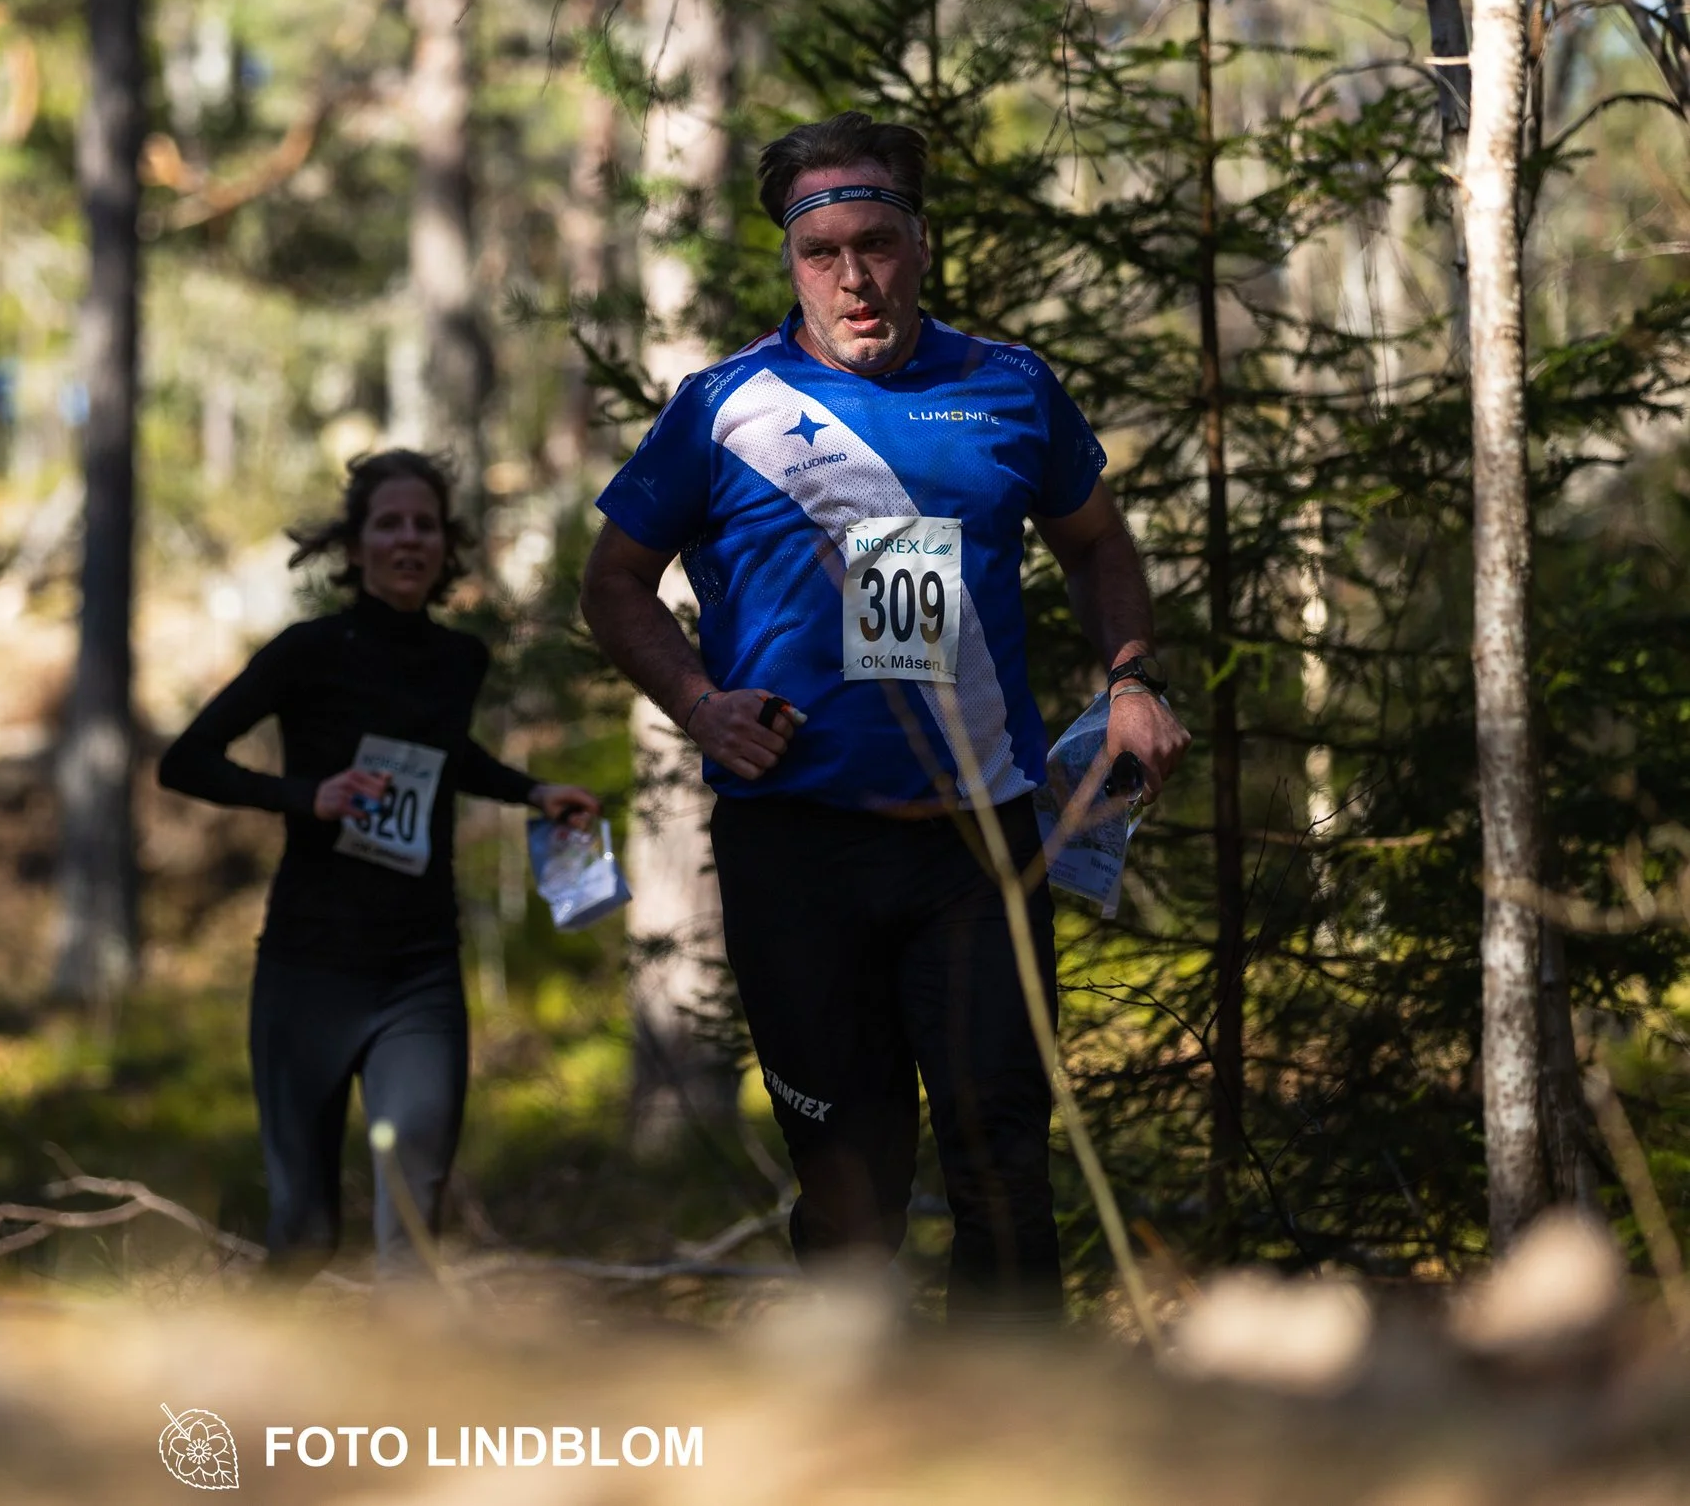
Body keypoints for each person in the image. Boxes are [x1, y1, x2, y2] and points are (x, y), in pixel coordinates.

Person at [579, 112, 1189, 1319]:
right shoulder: (722, 405)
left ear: (920, 243)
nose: (852, 277)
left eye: (876, 243)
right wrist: (698, 704)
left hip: (977, 845)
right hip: (796, 849)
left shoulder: (1008, 385)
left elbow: (1096, 542)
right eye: (822, 252)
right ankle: (857, 1410)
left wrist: (1129, 678)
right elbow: (611, 583)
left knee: (1003, 1165)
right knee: (850, 1187)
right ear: (790, 259)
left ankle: (1012, 1417)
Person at [159, 450, 600, 1276]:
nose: (408, 539)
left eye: (425, 525)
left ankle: (408, 1365)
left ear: (446, 545)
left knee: (412, 1234)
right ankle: (243, 1364)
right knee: (305, 1234)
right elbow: (185, 761)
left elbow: (444, 756)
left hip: (419, 974)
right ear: (354, 545)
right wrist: (308, 797)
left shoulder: (459, 660)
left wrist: (534, 792)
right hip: (308, 970)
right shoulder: (307, 652)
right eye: (389, 523)